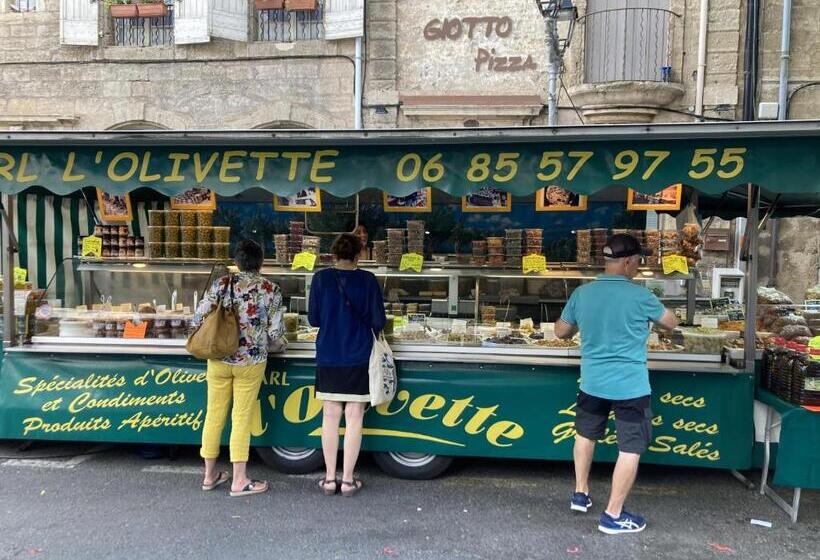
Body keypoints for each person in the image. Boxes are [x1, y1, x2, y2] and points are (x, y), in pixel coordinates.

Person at [555, 233, 678, 535]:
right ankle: (613, 515)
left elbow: (560, 331)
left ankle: (580, 493)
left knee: (585, 434)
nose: (639, 266)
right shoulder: (641, 296)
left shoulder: (582, 293)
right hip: (630, 387)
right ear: (627, 262)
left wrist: (582, 324)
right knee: (630, 448)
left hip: (592, 382)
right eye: (638, 261)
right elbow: (671, 322)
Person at [192, 239, 284, 497]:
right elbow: (276, 333)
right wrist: (278, 343)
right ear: (261, 262)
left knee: (214, 415)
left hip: (219, 358)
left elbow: (198, 317)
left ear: (236, 261)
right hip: (251, 362)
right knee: (241, 417)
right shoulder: (270, 288)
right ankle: (239, 480)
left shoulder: (221, 283)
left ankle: (209, 475)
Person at [308, 233, 386, 497]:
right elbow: (378, 321)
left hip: (329, 355)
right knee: (354, 417)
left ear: (333, 254)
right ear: (358, 255)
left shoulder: (321, 279)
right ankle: (349, 480)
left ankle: (330, 479)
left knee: (330, 416)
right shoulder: (368, 280)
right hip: (358, 356)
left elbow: (313, 319)